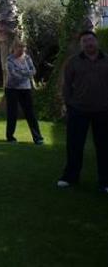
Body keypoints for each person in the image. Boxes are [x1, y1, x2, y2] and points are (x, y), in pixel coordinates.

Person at [58, 30, 108, 193]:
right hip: (78, 110)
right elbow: (66, 85)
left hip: (103, 110)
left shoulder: (106, 60)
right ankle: (70, 177)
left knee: (104, 147)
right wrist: (68, 104)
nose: (88, 43)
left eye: (91, 40)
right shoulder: (73, 62)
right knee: (74, 145)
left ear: (96, 41)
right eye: (85, 41)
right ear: (81, 45)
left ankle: (105, 181)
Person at [5, 39, 44, 144]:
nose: (22, 50)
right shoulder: (10, 59)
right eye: (20, 47)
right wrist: (26, 73)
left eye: (23, 47)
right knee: (12, 113)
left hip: (25, 89)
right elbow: (13, 74)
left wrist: (23, 72)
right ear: (14, 48)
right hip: (12, 89)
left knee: (30, 113)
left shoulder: (27, 58)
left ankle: (38, 138)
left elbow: (33, 71)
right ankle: (10, 137)